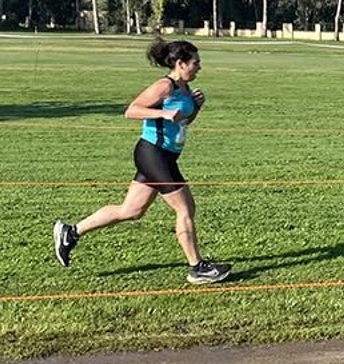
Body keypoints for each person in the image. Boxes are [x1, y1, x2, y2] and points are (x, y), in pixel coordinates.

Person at [52, 37, 232, 284]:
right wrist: (162, 112)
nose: (199, 67)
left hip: (164, 154)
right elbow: (132, 110)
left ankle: (70, 232)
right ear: (180, 63)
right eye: (195, 63)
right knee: (185, 207)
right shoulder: (164, 86)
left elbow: (182, 121)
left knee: (131, 211)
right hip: (153, 153)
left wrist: (197, 108)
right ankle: (196, 268)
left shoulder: (186, 89)